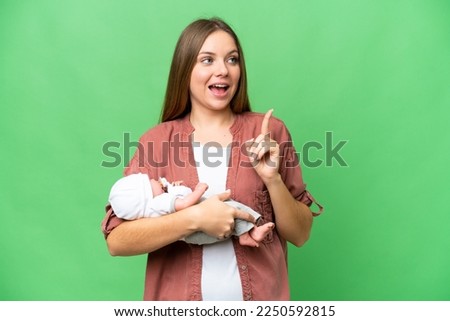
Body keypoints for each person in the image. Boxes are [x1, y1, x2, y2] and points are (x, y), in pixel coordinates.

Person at [101, 17, 323, 301]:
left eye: (232, 59)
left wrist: (273, 179)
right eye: (207, 60)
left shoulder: (269, 132)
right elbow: (117, 241)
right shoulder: (156, 142)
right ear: (185, 69)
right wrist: (194, 219)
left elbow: (300, 234)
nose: (223, 70)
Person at [108, 172, 275, 247]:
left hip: (194, 236)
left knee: (232, 212)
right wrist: (199, 190)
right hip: (197, 232)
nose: (156, 180)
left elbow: (174, 202)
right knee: (232, 209)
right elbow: (184, 204)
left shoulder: (154, 208)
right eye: (152, 182)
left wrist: (173, 188)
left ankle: (248, 234)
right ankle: (249, 234)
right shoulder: (158, 203)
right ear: (146, 195)